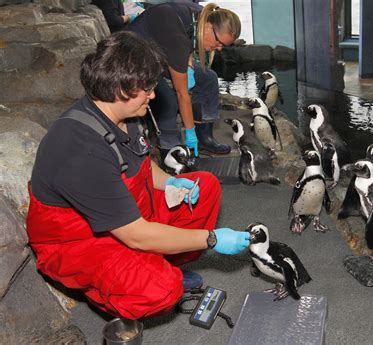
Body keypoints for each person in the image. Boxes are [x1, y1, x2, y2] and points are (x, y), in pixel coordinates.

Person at [26, 31, 250, 321]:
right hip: (80, 243)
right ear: (122, 87)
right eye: (147, 88)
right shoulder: (79, 149)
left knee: (204, 186)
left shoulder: (123, 116)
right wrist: (210, 239)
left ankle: (162, 262)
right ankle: (112, 293)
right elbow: (136, 235)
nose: (153, 95)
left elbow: (141, 164)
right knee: (162, 289)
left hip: (124, 215)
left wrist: (169, 181)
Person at [125, 2, 240, 157]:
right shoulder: (176, 38)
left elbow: (189, 38)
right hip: (132, 60)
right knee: (168, 100)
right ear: (208, 28)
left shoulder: (203, 14)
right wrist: (189, 131)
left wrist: (190, 67)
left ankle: (204, 138)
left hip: (160, 51)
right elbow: (182, 94)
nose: (219, 48)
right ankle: (170, 150)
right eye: (219, 42)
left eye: (224, 46)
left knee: (208, 78)